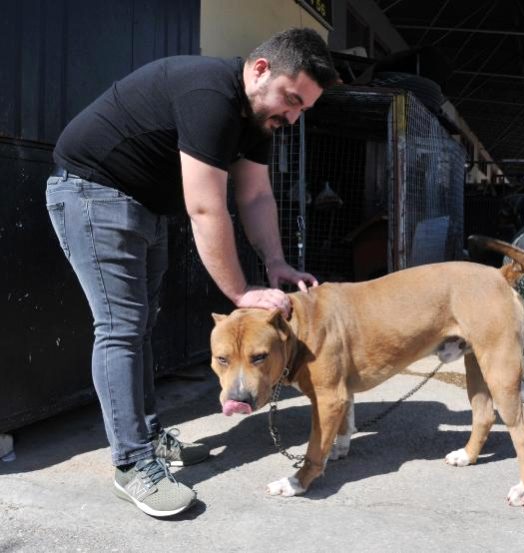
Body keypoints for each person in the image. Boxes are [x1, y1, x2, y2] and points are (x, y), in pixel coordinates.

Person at [45, 27, 337, 517]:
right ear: (260, 70)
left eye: (302, 109)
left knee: (139, 327)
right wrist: (243, 292)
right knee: (119, 328)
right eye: (291, 99)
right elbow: (205, 208)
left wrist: (277, 263)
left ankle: (150, 437)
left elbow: (255, 194)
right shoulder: (210, 94)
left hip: (145, 206)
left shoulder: (258, 120)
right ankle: (133, 463)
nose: (292, 115)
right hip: (93, 192)